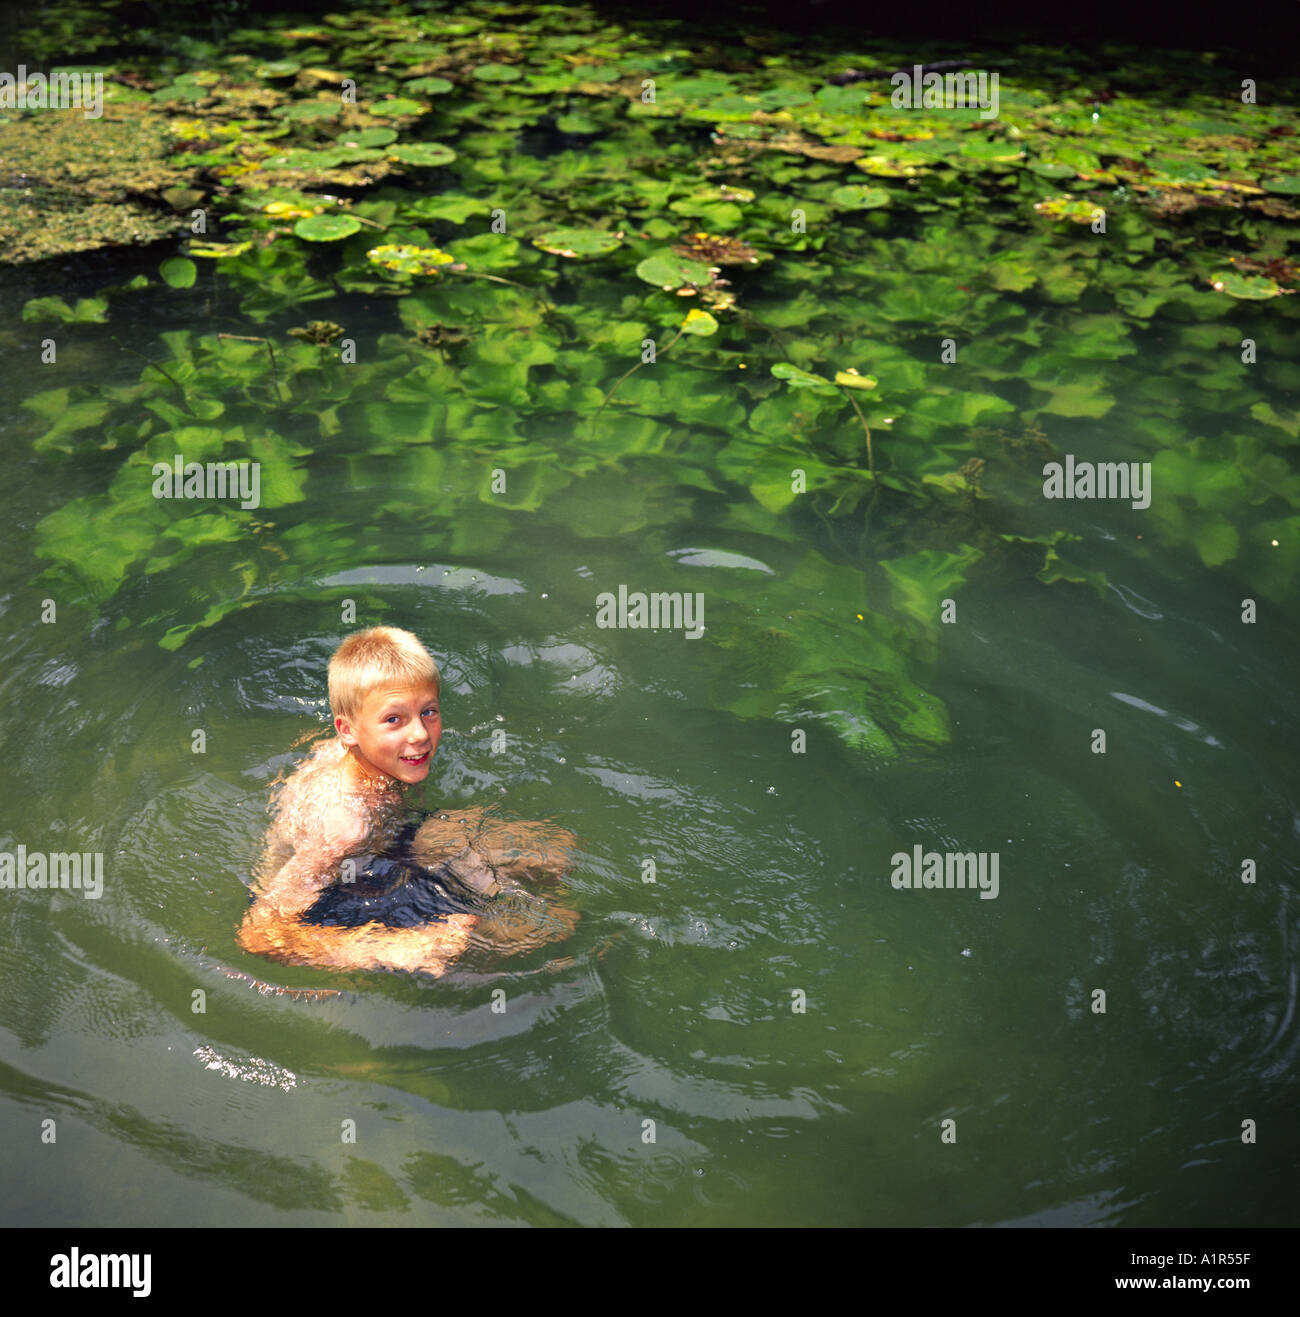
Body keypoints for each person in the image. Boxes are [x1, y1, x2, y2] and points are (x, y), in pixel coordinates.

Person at [237, 626, 578, 975]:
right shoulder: (344, 827)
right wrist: (392, 949)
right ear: (348, 729)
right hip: (331, 903)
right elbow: (260, 934)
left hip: (386, 849)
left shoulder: (351, 749)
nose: (419, 733)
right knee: (548, 929)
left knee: (554, 851)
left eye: (428, 711)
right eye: (394, 719)